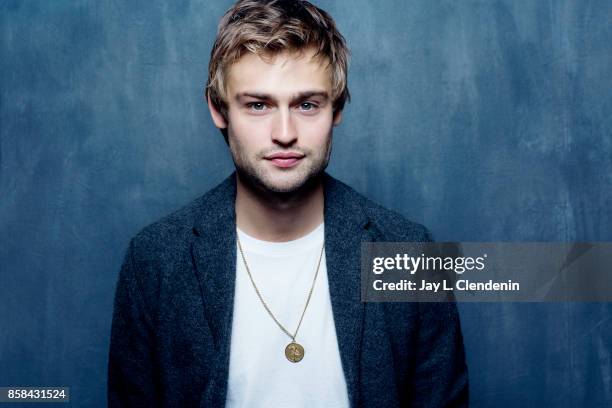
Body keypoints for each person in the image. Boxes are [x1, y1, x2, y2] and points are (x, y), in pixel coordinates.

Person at [107, 0, 468, 406]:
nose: (284, 133)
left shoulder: (410, 253)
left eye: (307, 104)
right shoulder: (155, 260)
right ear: (219, 110)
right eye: (258, 105)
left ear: (338, 109)